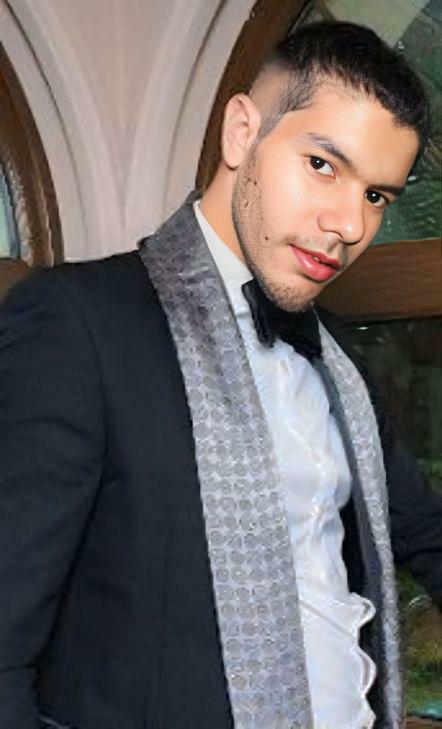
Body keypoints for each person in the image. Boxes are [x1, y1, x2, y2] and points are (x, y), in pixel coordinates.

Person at [0, 20, 441, 729]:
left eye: (376, 197)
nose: (350, 225)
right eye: (323, 165)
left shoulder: (339, 367)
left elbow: (426, 532)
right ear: (242, 133)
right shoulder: (78, 324)